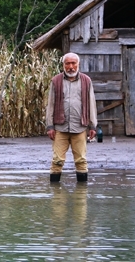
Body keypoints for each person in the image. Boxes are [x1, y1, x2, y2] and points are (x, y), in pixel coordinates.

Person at [45, 52, 97, 183]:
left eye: (73, 63)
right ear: (63, 65)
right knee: (57, 161)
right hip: (60, 128)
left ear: (78, 64)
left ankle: (81, 199)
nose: (71, 67)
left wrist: (93, 126)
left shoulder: (86, 81)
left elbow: (91, 103)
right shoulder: (56, 81)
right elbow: (50, 104)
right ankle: (57, 200)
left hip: (80, 127)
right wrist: (50, 126)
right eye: (67, 63)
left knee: (81, 160)